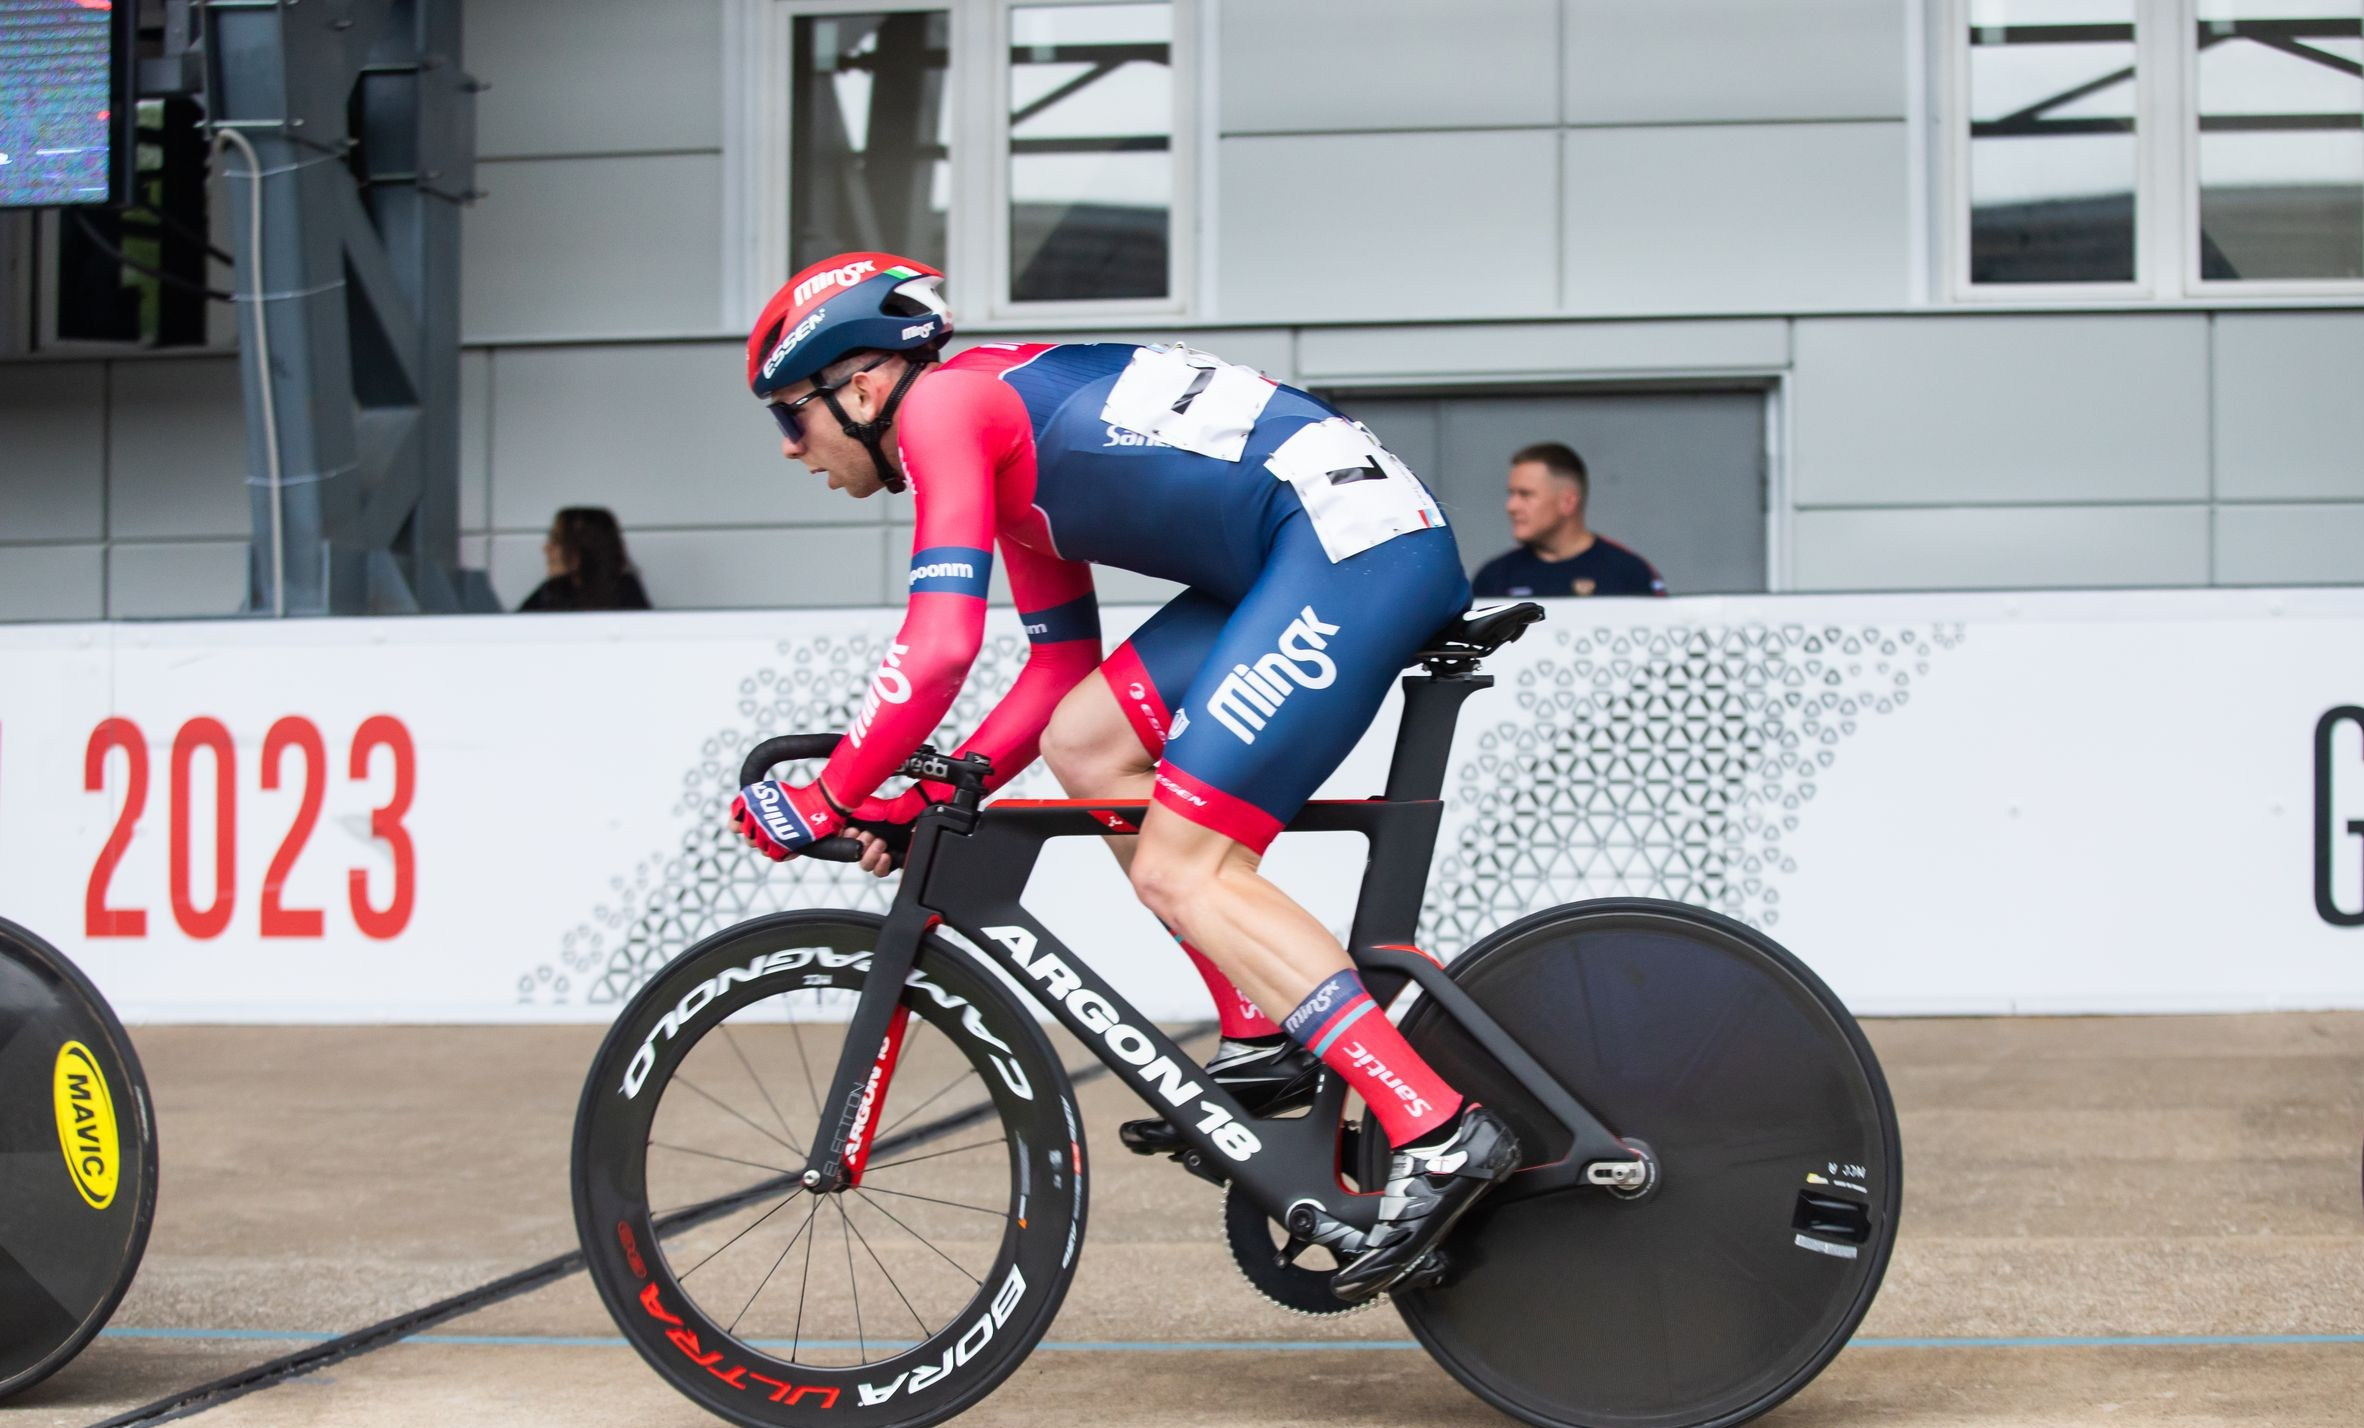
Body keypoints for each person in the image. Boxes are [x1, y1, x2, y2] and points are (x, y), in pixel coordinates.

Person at [724, 252, 1519, 1301]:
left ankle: (1438, 1125)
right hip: (1310, 544)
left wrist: (829, 795)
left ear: (862, 387)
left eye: (791, 417)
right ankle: (1257, 1034)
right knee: (1089, 745)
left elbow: (938, 648)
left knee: (1184, 872)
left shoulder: (944, 412)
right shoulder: (994, 426)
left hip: (1346, 550)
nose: (792, 450)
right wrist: (933, 789)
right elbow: (1057, 670)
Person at [1469, 442, 1666, 599]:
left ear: (1568, 502)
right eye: (1511, 494)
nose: (1511, 506)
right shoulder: (1494, 577)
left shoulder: (1629, 573)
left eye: (1525, 495)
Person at [518, 506, 652, 612]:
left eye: (557, 541)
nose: (546, 548)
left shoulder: (625, 592)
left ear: (582, 550)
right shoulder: (551, 591)